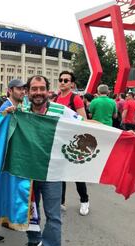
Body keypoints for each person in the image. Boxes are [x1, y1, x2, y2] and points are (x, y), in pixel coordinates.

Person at [20, 75, 83, 246]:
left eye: (41, 88)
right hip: (28, 172)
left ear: (48, 91)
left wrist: (121, 134)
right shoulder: (20, 111)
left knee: (53, 215)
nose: (38, 92)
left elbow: (85, 126)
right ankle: (34, 239)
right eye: (34, 89)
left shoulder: (61, 110)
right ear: (28, 92)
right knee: (30, 211)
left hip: (52, 173)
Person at [54, 71, 90, 216]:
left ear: (72, 84)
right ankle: (61, 201)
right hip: (59, 141)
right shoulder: (56, 98)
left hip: (74, 142)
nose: (63, 82)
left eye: (66, 80)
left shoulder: (76, 99)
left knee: (76, 174)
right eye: (61, 80)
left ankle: (84, 200)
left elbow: (83, 120)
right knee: (60, 172)